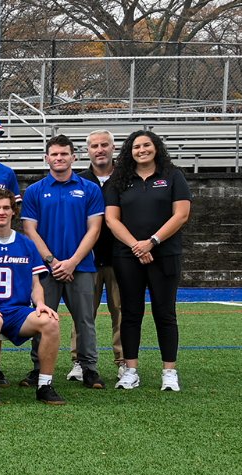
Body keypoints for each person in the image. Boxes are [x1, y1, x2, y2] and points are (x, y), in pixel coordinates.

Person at [103, 130, 191, 392]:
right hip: (128, 256)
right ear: (129, 151)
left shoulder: (173, 176)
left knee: (165, 313)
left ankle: (169, 372)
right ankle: (130, 370)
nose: (141, 150)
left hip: (164, 254)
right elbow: (111, 219)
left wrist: (151, 242)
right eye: (136, 146)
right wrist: (136, 246)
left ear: (156, 148)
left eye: (146, 145)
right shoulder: (119, 180)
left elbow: (181, 215)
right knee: (130, 313)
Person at [21, 135, 106, 389]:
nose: (59, 158)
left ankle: (89, 369)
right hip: (45, 269)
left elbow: (94, 230)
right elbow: (30, 230)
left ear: (73, 157)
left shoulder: (90, 189)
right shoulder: (35, 190)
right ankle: (38, 369)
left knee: (84, 320)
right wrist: (52, 260)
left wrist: (72, 262)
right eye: (54, 154)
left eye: (64, 154)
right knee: (42, 318)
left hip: (81, 267)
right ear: (46, 158)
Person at [0, 189, 67, 405]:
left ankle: (45, 384)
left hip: (18, 311)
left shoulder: (26, 243)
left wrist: (40, 304)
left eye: (6, 208)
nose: (1, 212)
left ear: (14, 212)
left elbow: (35, 284)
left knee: (50, 322)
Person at [81, 130, 125, 375]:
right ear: (87, 151)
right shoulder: (80, 181)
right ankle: (80, 361)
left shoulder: (126, 179)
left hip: (120, 257)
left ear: (113, 147)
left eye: (104, 145)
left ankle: (123, 361)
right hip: (88, 258)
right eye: (95, 146)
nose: (100, 149)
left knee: (121, 311)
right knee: (85, 313)